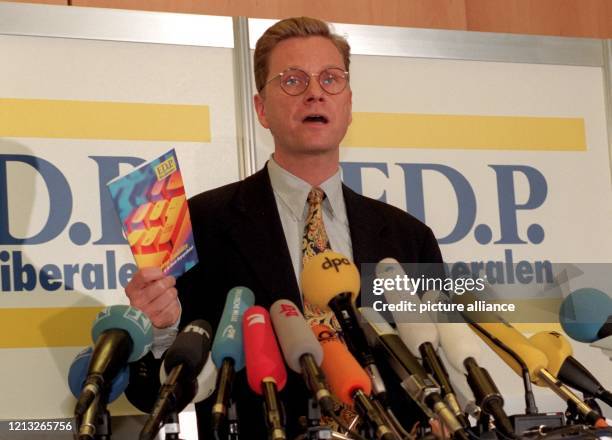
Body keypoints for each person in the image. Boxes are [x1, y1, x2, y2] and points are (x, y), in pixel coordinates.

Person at [125, 16, 443, 439]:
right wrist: (158, 330)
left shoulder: (408, 238)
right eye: (293, 81)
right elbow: (152, 394)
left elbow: (440, 372)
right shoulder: (200, 224)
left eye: (331, 79)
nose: (315, 92)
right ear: (261, 109)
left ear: (349, 104)